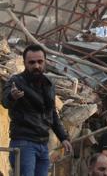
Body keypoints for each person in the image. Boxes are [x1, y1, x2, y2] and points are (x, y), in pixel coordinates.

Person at [1, 44, 72, 176]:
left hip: (43, 145)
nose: (36, 66)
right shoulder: (16, 81)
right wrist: (12, 96)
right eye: (32, 62)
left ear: (45, 62)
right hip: (24, 142)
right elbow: (5, 101)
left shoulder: (48, 84)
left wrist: (63, 137)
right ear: (24, 63)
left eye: (40, 62)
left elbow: (52, 114)